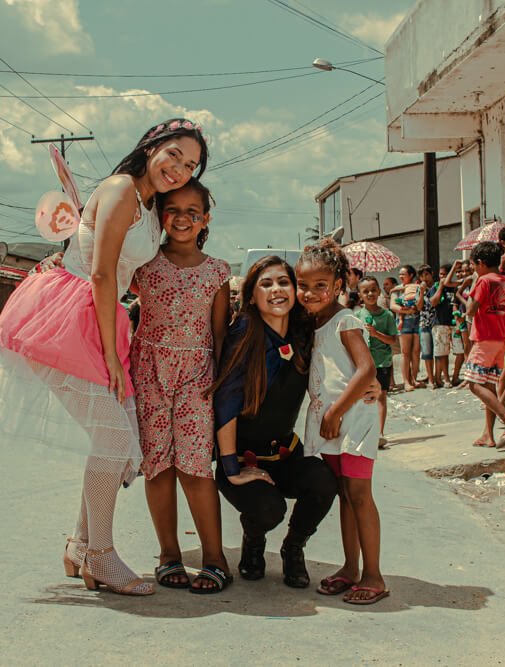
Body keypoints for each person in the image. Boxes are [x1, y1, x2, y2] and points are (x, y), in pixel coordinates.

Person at [0, 118, 209, 596]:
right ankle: (100, 557)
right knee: (113, 439)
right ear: (150, 145)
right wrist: (112, 355)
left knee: (114, 439)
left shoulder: (148, 205)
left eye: (190, 164)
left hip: (98, 320)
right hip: (71, 315)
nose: (180, 168)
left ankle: (80, 544)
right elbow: (104, 274)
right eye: (174, 154)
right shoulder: (121, 188)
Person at [129, 180, 232, 593]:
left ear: (205, 219)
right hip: (148, 372)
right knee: (159, 465)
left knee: (195, 469)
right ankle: (168, 554)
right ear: (159, 216)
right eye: (173, 209)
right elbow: (99, 274)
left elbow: (220, 335)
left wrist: (222, 387)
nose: (183, 218)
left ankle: (215, 557)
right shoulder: (143, 265)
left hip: (197, 377)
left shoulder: (218, 272)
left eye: (193, 211)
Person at [210, 256, 335, 590]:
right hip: (242, 459)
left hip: (284, 454)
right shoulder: (244, 334)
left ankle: (293, 548)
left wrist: (368, 384)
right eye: (266, 283)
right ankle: (254, 538)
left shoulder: (303, 331)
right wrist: (232, 469)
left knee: (323, 481)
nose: (277, 289)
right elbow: (226, 405)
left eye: (284, 282)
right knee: (269, 509)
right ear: (251, 296)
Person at [295, 239, 385, 605]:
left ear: (338, 286)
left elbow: (367, 369)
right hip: (329, 423)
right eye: (304, 285)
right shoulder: (309, 323)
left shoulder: (346, 320)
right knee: (345, 496)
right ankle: (349, 567)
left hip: (354, 419)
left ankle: (374, 575)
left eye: (321, 285)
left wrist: (334, 412)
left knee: (360, 496)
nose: (311, 292)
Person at [462, 242, 505, 448]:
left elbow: (470, 310)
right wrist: (499, 321)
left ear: (480, 263)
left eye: (473, 265)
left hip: (484, 339)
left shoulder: (483, 281)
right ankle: (488, 434)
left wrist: (472, 285)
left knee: (474, 383)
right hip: (500, 339)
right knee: (489, 385)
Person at [356, 276, 397, 448]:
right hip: (364, 366)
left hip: (382, 363)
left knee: (381, 397)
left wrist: (376, 334)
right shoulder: (357, 316)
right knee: (364, 399)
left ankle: (379, 433)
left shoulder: (387, 315)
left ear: (379, 292)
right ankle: (365, 432)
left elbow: (393, 340)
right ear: (360, 295)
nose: (370, 294)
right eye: (366, 291)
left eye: (373, 290)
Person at [429, 261, 462, 387]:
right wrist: (441, 287)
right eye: (440, 275)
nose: (442, 277)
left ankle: (455, 376)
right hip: (440, 323)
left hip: (454, 323)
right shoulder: (436, 287)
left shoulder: (455, 286)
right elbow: (433, 302)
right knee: (443, 353)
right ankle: (446, 379)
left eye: (444, 275)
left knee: (459, 351)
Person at [391, 265, 423, 391]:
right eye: (400, 274)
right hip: (403, 324)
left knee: (416, 352)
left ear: (411, 275)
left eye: (403, 274)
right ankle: (406, 381)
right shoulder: (397, 290)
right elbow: (393, 306)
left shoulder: (417, 287)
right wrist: (407, 312)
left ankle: (413, 379)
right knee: (405, 353)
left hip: (417, 321)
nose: (401, 276)